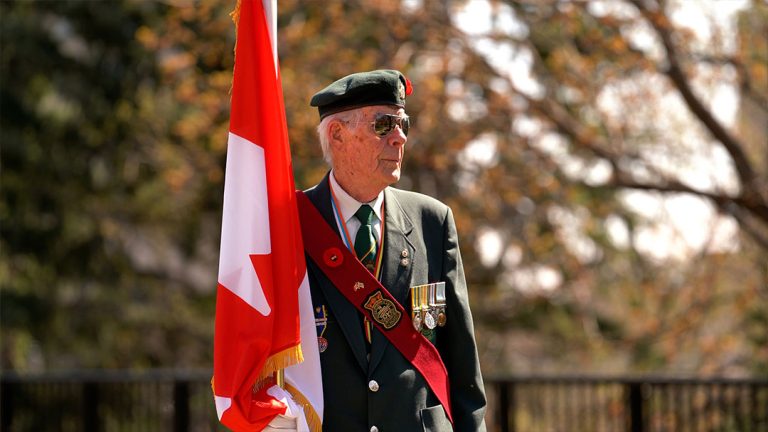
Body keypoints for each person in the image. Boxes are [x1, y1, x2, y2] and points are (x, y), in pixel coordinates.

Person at [298, 69, 487, 432]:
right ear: (338, 134)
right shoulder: (289, 225)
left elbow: (463, 367)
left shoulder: (433, 220)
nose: (399, 138)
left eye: (404, 124)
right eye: (383, 125)